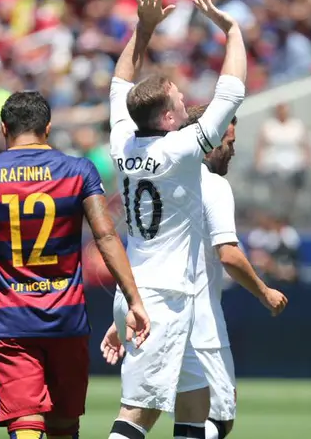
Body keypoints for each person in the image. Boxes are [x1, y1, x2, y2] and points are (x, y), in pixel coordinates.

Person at [0, 91, 150, 439]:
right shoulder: (79, 171)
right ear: (47, 128)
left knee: (25, 419)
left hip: (11, 318)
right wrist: (134, 299)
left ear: (4, 128)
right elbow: (106, 237)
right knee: (63, 425)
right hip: (67, 317)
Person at [106, 0, 247, 439]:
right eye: (177, 96)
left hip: (152, 292)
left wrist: (143, 31)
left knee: (195, 404)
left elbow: (119, 85)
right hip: (159, 300)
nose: (185, 96)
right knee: (138, 413)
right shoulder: (181, 149)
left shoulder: (123, 141)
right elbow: (232, 91)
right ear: (168, 117)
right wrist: (233, 32)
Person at [101, 104, 287, 439]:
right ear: (211, 138)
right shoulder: (211, 185)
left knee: (165, 413)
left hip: (157, 307)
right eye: (227, 141)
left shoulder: (161, 177)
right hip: (198, 324)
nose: (231, 149)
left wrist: (124, 314)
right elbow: (229, 255)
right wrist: (265, 291)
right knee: (192, 416)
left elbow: (145, 251)